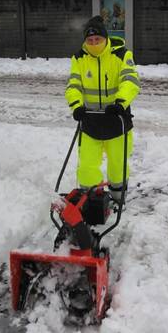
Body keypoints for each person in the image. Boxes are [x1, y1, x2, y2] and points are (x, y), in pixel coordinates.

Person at [65, 15, 140, 206]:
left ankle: (117, 198)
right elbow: (74, 85)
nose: (94, 43)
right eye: (89, 40)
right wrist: (76, 105)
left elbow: (130, 81)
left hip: (116, 120)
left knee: (117, 165)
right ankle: (91, 201)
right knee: (87, 166)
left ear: (105, 39)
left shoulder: (122, 55)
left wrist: (120, 102)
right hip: (90, 122)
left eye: (97, 39)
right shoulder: (79, 58)